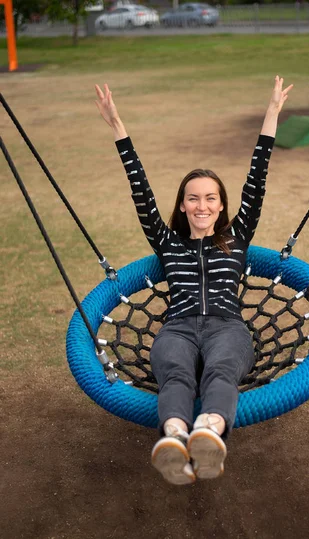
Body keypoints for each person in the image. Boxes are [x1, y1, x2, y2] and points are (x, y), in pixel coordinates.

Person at [95, 76, 293, 485]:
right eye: (192, 198)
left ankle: (208, 430)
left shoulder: (236, 238)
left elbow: (257, 181)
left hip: (227, 326)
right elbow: (140, 190)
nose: (201, 205)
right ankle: (173, 438)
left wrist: (272, 113)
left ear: (221, 205)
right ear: (182, 206)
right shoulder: (166, 241)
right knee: (175, 372)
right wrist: (118, 126)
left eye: (210, 198)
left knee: (221, 370)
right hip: (178, 328)